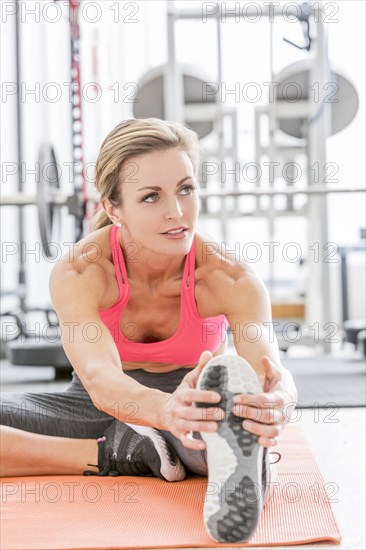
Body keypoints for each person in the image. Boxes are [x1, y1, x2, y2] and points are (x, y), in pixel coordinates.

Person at [0, 118, 298, 542]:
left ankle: (206, 449)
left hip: (195, 399)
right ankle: (126, 451)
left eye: (186, 189)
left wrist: (279, 399)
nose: (176, 211)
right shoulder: (83, 271)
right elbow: (102, 381)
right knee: (188, 433)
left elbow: (269, 367)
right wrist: (162, 413)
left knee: (220, 426)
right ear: (112, 208)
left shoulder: (229, 277)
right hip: (97, 403)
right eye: (151, 196)